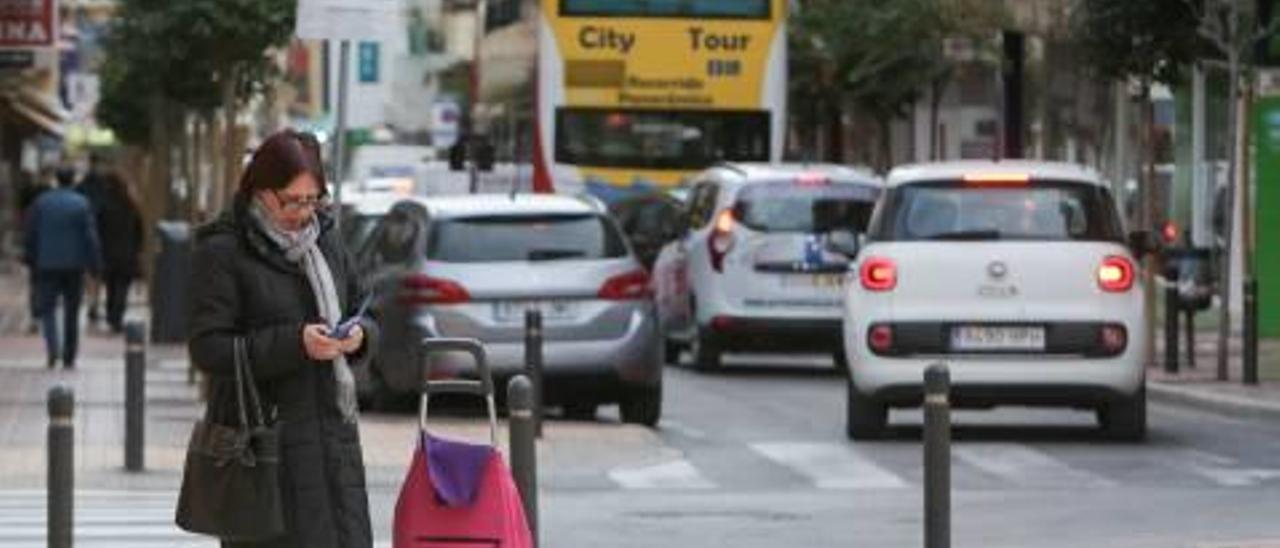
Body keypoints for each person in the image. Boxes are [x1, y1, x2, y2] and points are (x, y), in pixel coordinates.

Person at [187, 130, 379, 548]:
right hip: (263, 447)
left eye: (313, 200)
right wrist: (296, 344)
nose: (303, 212)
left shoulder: (327, 239)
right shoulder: (224, 250)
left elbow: (365, 306)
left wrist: (359, 337)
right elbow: (209, 347)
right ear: (260, 189)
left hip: (333, 441)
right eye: (292, 200)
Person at [24, 167, 103, 369]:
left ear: (56, 180)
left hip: (46, 263)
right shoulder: (81, 203)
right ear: (73, 180)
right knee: (72, 310)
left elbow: (31, 233)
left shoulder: (42, 202)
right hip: (74, 265)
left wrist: (31, 260)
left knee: (48, 309)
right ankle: (69, 355)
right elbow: (90, 237)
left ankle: (53, 350)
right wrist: (95, 264)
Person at [96, 173, 144, 333]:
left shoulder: (103, 205)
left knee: (110, 287)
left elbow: (98, 230)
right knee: (122, 287)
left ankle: (111, 317)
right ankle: (117, 317)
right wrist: (137, 249)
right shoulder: (131, 206)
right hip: (127, 254)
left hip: (108, 254)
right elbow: (139, 231)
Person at [77, 153, 111, 324]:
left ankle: (93, 301)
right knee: (96, 271)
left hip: (89, 233)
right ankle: (94, 302)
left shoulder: (82, 185)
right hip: (101, 233)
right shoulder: (105, 186)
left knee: (91, 271)